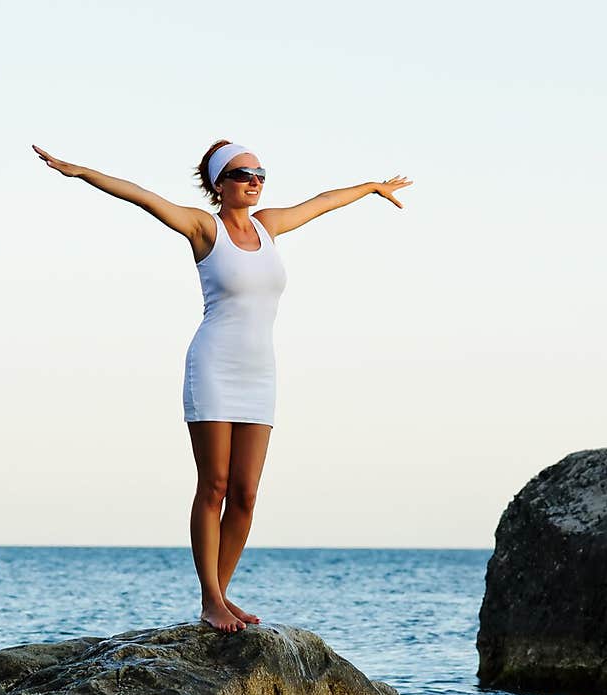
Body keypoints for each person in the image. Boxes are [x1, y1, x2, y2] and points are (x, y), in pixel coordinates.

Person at [32, 140, 413, 631]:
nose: (254, 180)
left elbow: (322, 202)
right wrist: (81, 172)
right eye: (241, 174)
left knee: (246, 493)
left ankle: (224, 593)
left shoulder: (268, 225)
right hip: (213, 365)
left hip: (260, 372)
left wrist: (372, 187)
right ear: (218, 184)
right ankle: (210, 600)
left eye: (259, 173)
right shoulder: (203, 226)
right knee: (212, 485)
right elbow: (142, 196)